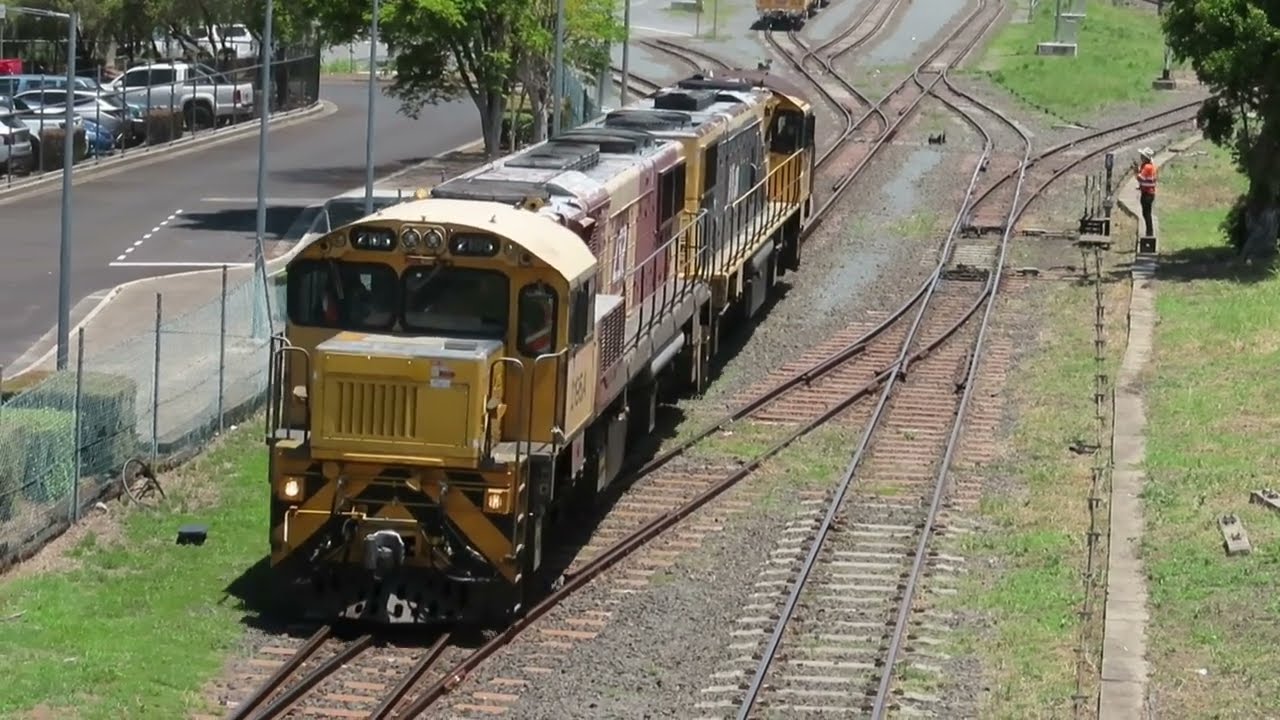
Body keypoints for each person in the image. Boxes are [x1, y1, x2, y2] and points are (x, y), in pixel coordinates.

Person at [1135, 147, 1158, 237]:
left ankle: (1149, 232)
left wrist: (1135, 172)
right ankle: (1149, 232)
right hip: (1149, 193)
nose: (1141, 157)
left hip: (1147, 194)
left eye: (1142, 156)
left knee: (1146, 213)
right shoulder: (1150, 166)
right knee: (1147, 213)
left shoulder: (1147, 167)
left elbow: (1140, 178)